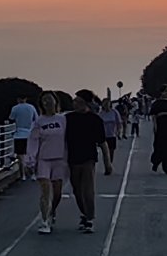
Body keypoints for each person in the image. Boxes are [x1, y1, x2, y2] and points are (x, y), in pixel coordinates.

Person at [63, 90, 107, 231]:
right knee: (76, 190)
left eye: (78, 101)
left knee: (88, 190)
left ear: (86, 103)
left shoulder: (95, 120)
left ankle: (90, 218)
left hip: (88, 158)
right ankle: (84, 213)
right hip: (72, 158)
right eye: (74, 101)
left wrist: (108, 162)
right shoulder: (68, 118)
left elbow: (102, 142)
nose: (75, 103)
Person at [26, 94, 69, 232]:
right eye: (44, 100)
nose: (47, 102)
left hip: (59, 159)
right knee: (45, 190)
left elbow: (68, 139)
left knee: (57, 193)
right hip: (44, 159)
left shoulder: (63, 119)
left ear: (55, 102)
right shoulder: (39, 122)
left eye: (50, 99)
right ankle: (44, 221)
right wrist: (30, 161)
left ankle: (52, 211)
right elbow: (33, 141)